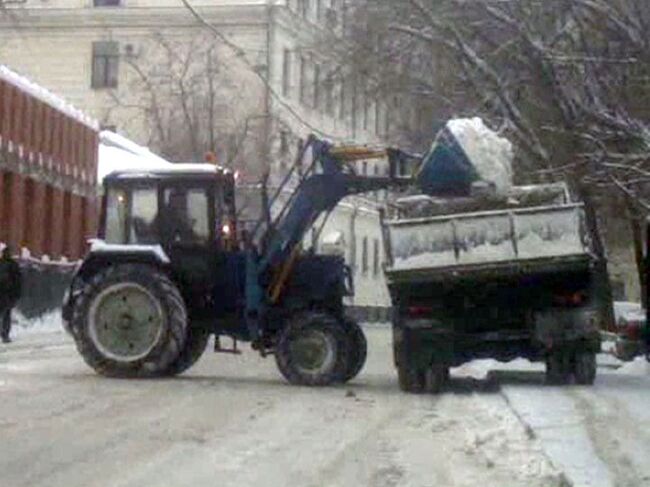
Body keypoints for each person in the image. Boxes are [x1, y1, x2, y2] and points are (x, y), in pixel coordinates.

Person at [0, 245, 22, 343]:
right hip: (8, 295)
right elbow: (18, 281)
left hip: (3, 293)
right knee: (6, 315)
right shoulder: (13, 264)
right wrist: (17, 294)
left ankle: (4, 334)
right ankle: (5, 335)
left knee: (5, 315)